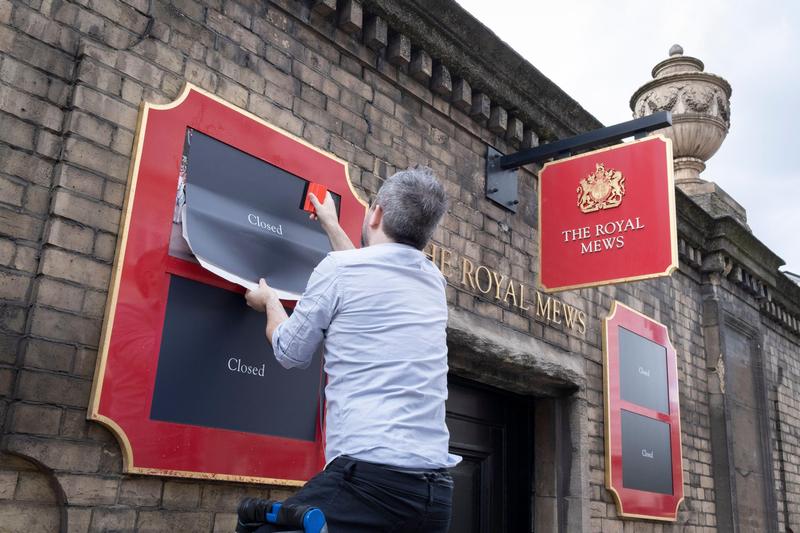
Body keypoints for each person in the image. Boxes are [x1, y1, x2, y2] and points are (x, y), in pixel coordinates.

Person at [244, 166, 460, 532]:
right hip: (434, 495)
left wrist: (269, 303)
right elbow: (366, 270)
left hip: (369, 482)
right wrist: (330, 223)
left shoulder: (339, 271)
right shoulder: (433, 281)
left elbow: (291, 350)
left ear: (375, 213)